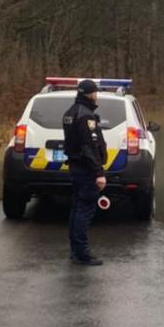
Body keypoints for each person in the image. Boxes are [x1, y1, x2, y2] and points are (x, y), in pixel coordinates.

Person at [62, 78, 108, 265]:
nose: (96, 96)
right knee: (85, 210)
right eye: (95, 93)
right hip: (86, 169)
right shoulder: (85, 116)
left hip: (76, 167)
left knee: (77, 209)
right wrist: (98, 173)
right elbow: (89, 147)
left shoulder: (70, 113)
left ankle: (75, 250)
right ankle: (82, 253)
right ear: (90, 94)